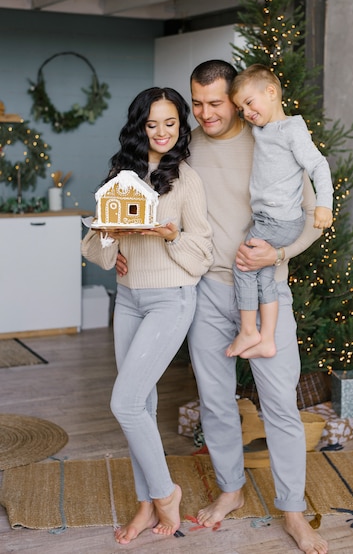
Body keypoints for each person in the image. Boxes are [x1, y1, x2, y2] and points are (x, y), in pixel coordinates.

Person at [116, 61, 329, 554]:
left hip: (268, 288)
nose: (205, 113)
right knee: (215, 402)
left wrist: (280, 254)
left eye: (216, 103)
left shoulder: (273, 139)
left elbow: (313, 213)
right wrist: (125, 243)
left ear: (236, 98)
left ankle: (293, 512)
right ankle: (231, 490)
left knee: (279, 403)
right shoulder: (185, 144)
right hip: (206, 290)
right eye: (198, 103)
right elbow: (149, 196)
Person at [81, 87, 213, 546]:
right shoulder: (122, 175)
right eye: (152, 124)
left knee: (124, 403)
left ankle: (165, 493)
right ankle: (144, 505)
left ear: (180, 127)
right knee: (143, 406)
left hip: (171, 300)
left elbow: (203, 253)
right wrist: (109, 235)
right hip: (129, 300)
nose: (161, 132)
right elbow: (94, 251)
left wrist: (171, 235)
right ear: (139, 126)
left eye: (170, 123)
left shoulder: (187, 180)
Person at [226, 64, 333, 360]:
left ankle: (249, 331)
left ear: (271, 92)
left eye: (249, 103)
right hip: (272, 218)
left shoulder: (291, 130)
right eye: (240, 108)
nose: (246, 112)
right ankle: (267, 340)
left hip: (278, 220)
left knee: (244, 265)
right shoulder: (262, 128)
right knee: (264, 276)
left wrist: (325, 204)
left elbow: (318, 165)